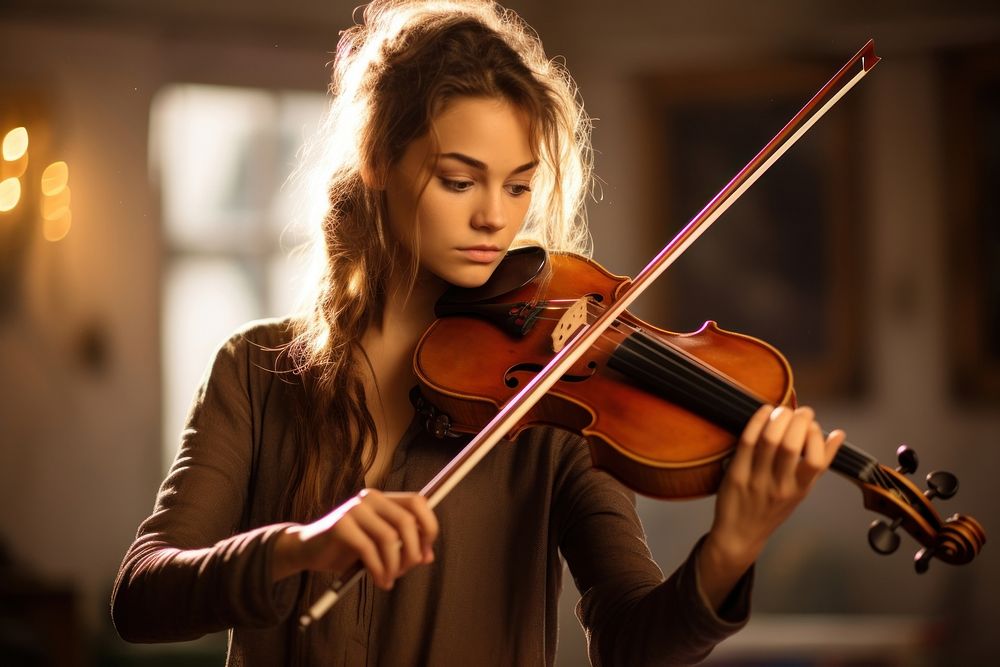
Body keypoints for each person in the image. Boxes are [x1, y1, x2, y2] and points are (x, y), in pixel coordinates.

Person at [111, 1, 845, 664]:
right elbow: (141, 595)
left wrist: (731, 548)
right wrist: (298, 547)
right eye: (460, 180)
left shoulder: (552, 395)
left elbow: (629, 638)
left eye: (518, 184)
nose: (496, 217)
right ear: (377, 160)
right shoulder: (256, 370)